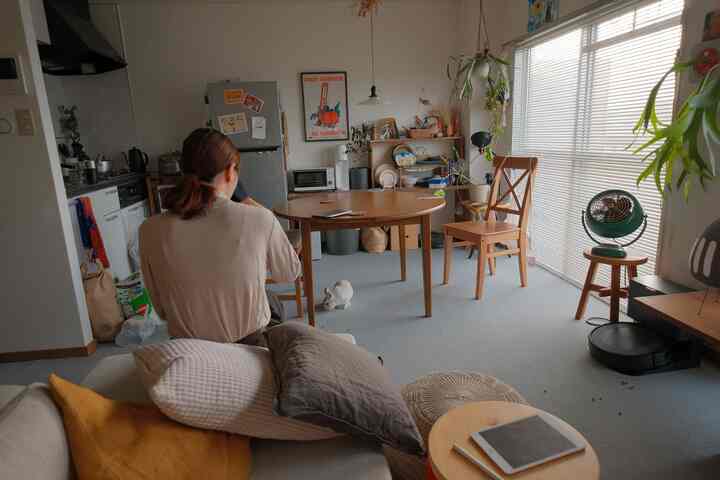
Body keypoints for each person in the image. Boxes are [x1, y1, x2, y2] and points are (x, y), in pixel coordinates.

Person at [139, 128, 301, 343]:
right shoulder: (261, 219)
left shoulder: (149, 229)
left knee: (267, 300)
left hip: (188, 348)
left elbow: (160, 309)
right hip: (249, 343)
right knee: (273, 303)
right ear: (229, 172)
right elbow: (288, 274)